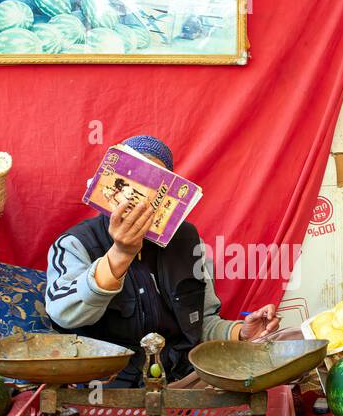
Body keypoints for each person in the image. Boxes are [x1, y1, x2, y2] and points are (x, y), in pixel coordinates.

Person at [46, 135, 280, 387]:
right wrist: (121, 253)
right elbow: (63, 315)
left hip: (182, 380)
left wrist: (240, 334)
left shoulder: (189, 242)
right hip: (106, 389)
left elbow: (201, 325)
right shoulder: (75, 243)